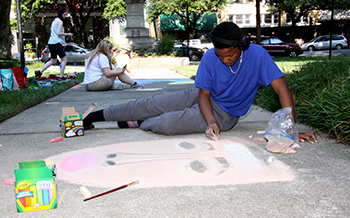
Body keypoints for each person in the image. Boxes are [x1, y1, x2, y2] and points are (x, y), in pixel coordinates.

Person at [83, 22, 317, 143]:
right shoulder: (209, 57)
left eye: (231, 55)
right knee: (150, 102)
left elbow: (282, 89)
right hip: (204, 98)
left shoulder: (257, 55)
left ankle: (139, 122)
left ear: (242, 46)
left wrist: (289, 129)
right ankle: (95, 117)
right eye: (220, 55)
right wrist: (209, 119)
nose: (225, 60)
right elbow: (203, 95)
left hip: (226, 115)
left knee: (166, 125)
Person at [35, 8, 73, 79]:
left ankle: (40, 71)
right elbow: (58, 33)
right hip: (57, 43)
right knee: (64, 59)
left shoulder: (55, 20)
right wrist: (68, 34)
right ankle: (61, 76)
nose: (65, 16)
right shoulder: (60, 22)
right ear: (61, 14)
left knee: (53, 60)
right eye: (64, 14)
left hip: (51, 43)